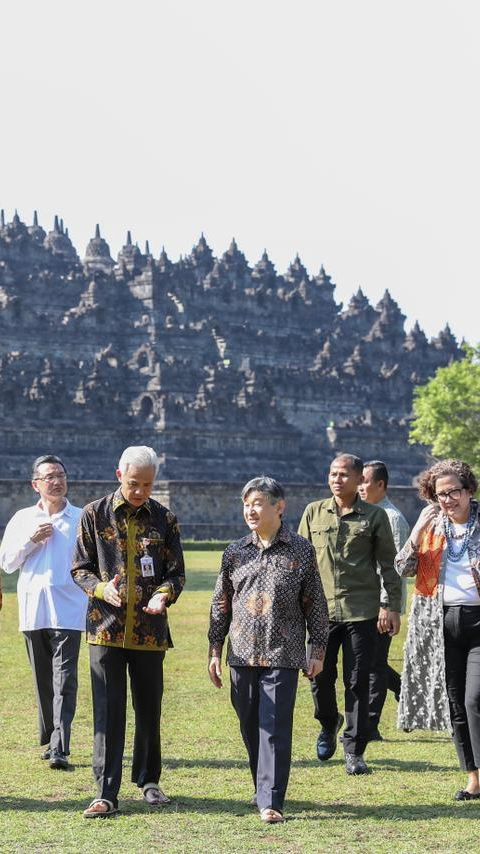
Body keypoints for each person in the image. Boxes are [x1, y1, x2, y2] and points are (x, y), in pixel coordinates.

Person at [71, 445, 185, 818]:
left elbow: (176, 572)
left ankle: (149, 781)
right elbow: (80, 568)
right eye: (134, 483)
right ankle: (106, 791)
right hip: (105, 629)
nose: (140, 491)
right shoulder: (93, 514)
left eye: (147, 485)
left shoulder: (165, 520)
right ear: (120, 476)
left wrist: (165, 594)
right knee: (108, 710)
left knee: (149, 709)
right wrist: (103, 589)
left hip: (150, 631)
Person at [208, 476, 328, 824]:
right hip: (241, 653)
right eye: (247, 503)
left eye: (258, 502)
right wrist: (215, 649)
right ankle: (262, 787)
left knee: (274, 726)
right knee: (249, 724)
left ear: (279, 507)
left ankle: (271, 800)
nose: (251, 509)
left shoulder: (301, 550)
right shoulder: (234, 552)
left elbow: (315, 604)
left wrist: (317, 649)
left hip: (284, 653)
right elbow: (220, 604)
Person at [298, 453, 401, 775]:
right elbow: (298, 561)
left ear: (359, 480)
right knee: (319, 677)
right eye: (333, 474)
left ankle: (354, 749)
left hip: (361, 611)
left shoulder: (374, 517)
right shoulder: (313, 512)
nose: (337, 479)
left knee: (357, 682)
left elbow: (389, 565)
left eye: (344, 475)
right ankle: (329, 723)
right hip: (320, 612)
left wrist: (392, 606)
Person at [395, 459, 480, 801]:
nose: (448, 500)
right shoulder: (431, 524)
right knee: (456, 702)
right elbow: (403, 568)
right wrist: (416, 534)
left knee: (476, 699)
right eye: (440, 495)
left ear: (469, 491)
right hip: (439, 622)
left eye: (454, 492)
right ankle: (473, 777)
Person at [0, 455, 86, 770]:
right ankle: (51, 738)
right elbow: (7, 563)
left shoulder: (81, 518)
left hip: (70, 610)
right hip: (33, 610)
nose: (57, 481)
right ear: (35, 483)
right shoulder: (22, 519)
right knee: (43, 681)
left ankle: (60, 747)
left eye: (61, 475)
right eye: (49, 476)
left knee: (65, 680)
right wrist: (31, 540)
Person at [359, 460, 410, 741]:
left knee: (374, 664)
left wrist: (387, 606)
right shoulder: (366, 513)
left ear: (380, 484)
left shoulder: (392, 519)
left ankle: (370, 725)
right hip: (364, 603)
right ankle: (404, 687)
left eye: (364, 481)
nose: (360, 487)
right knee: (366, 661)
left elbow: (395, 568)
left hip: (381, 606)